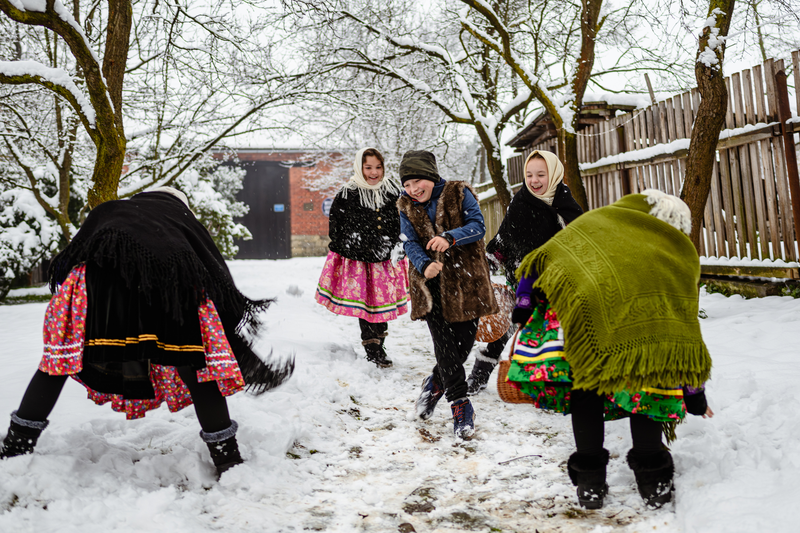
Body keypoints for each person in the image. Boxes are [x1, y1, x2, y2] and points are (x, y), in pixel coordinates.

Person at [0, 188, 293, 477]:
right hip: (170, 290)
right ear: (181, 205)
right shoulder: (180, 219)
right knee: (195, 366)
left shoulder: (110, 209)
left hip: (96, 287)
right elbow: (214, 275)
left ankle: (16, 447)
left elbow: (71, 255)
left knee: (57, 365)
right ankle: (227, 459)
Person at [512, 189, 713, 509]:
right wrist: (694, 394)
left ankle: (590, 484)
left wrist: (524, 301)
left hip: (584, 325)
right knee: (647, 388)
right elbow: (681, 334)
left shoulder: (597, 221)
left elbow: (545, 255)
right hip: (641, 332)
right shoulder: (671, 251)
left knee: (586, 391)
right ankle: (653, 480)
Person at [397, 150, 498, 439]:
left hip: (467, 283)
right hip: (430, 287)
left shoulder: (458, 192)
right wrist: (424, 264)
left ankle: (435, 382)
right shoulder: (405, 205)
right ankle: (461, 404)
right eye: (407, 184)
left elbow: (478, 227)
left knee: (462, 345)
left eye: (418, 181)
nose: (413, 190)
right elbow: (410, 242)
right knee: (444, 345)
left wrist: (450, 237)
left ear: (430, 176)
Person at [469, 150, 582, 395]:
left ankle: (553, 387)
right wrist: (486, 267)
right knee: (502, 330)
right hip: (521, 285)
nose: (534, 180)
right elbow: (503, 241)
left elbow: (581, 242)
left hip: (557, 288)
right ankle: (478, 377)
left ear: (554, 174)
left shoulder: (567, 206)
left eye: (541, 174)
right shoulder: (520, 203)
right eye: (529, 175)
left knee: (551, 339)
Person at [315, 147, 409, 368]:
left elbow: (402, 221)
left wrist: (397, 243)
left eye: (378, 167)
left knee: (383, 302)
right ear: (360, 167)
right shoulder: (348, 193)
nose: (374, 172)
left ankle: (381, 342)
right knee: (367, 303)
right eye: (368, 167)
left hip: (386, 258)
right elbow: (336, 229)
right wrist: (357, 245)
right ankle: (372, 348)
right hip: (360, 260)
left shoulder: (391, 191)